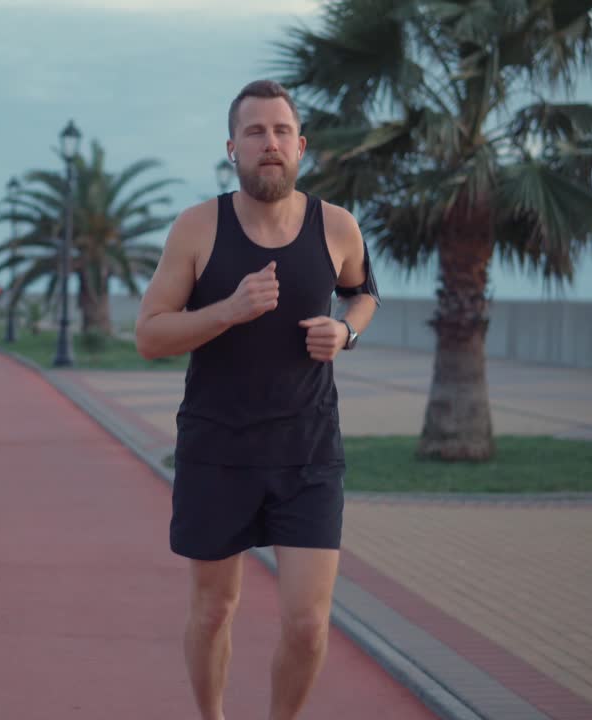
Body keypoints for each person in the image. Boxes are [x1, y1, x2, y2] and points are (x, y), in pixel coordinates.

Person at [133, 79, 379, 720]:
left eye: (279, 132)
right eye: (254, 132)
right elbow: (149, 335)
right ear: (232, 148)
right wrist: (228, 311)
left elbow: (365, 292)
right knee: (214, 611)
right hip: (217, 447)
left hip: (307, 453)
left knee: (308, 625)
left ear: (301, 146)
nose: (268, 143)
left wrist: (347, 331)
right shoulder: (197, 228)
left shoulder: (337, 226)